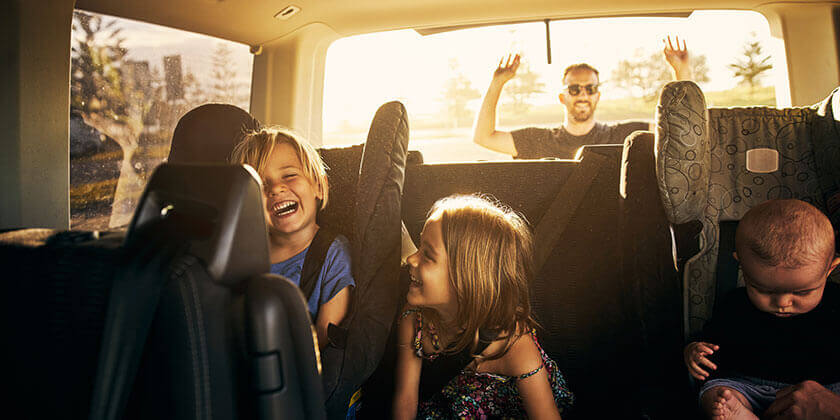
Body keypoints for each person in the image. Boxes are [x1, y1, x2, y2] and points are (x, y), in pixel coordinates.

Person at [392, 194, 574, 419]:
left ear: (465, 279)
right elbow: (405, 400)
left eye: (428, 255)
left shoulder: (513, 344)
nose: (411, 259)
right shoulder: (414, 318)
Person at [684, 199, 840, 420]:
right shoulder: (737, 304)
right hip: (749, 387)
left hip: (825, 390)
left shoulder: (836, 304)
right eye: (764, 290)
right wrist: (695, 349)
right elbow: (713, 340)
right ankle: (740, 415)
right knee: (715, 392)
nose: (783, 303)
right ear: (742, 266)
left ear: (829, 269)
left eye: (803, 292)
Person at [230, 126, 354, 349]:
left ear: (319, 185)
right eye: (260, 184)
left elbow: (326, 335)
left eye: (289, 176)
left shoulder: (332, 252)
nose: (276, 188)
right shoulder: (241, 254)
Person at [474, 36, 693, 159]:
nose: (583, 95)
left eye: (590, 89)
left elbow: (684, 129)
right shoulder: (537, 140)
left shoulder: (626, 136)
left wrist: (682, 71)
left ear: (598, 96)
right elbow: (484, 137)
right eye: (574, 89)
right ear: (562, 97)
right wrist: (497, 82)